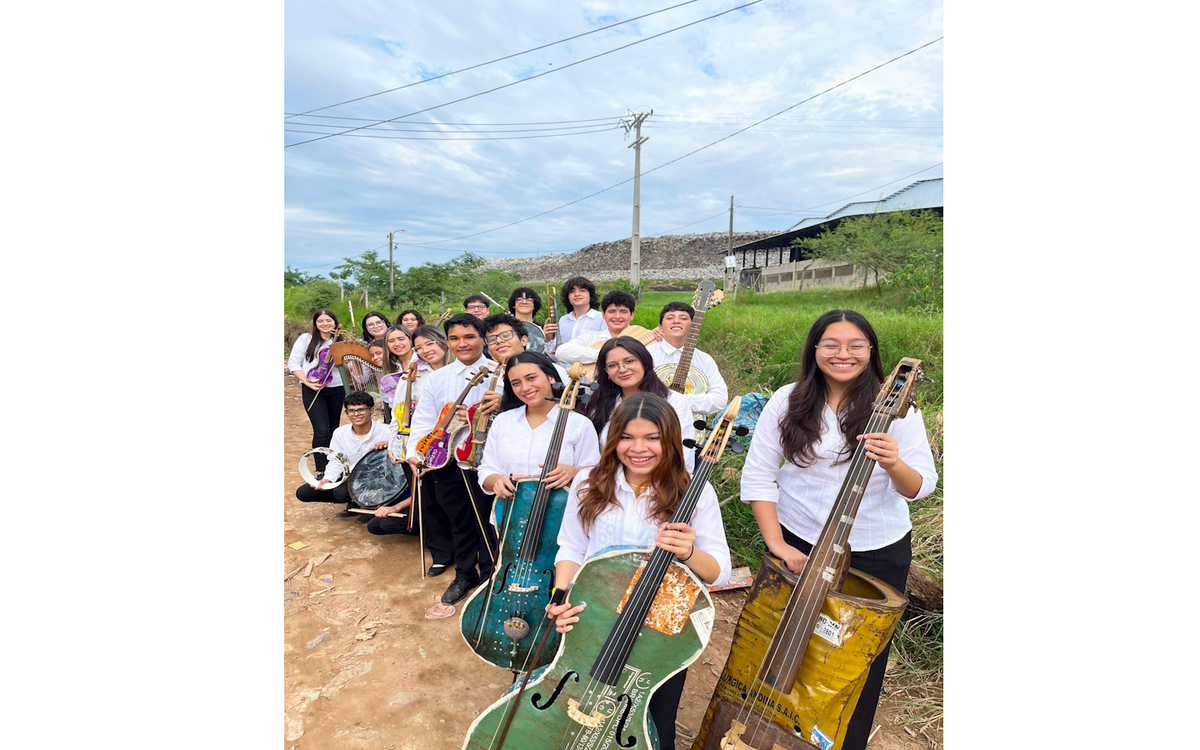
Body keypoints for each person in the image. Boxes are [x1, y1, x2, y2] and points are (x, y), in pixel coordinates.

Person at [739, 309, 938, 750]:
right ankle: (762, 732)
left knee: (853, 659)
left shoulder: (897, 410)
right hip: (798, 538)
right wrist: (776, 544)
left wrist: (893, 462)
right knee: (781, 640)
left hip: (876, 549)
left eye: (855, 346)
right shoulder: (788, 399)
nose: (842, 354)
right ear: (815, 350)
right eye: (831, 344)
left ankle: (839, 741)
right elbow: (757, 475)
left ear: (871, 352)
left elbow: (921, 486)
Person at [547, 393, 731, 749]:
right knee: (575, 702)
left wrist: (689, 552)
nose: (638, 448)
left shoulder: (694, 491)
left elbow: (719, 572)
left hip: (662, 623)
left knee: (651, 716)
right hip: (594, 608)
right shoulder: (588, 482)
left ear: (672, 441)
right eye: (627, 437)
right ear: (613, 439)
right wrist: (561, 595)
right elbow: (571, 546)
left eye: (652, 438)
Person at [406, 313, 501, 605]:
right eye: (455, 338)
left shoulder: (501, 373)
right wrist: (415, 452)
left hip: (486, 462)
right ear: (447, 342)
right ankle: (464, 573)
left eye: (470, 337)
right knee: (457, 519)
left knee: (488, 520)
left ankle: (489, 574)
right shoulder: (438, 377)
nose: (463, 344)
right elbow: (423, 419)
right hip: (445, 460)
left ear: (483, 338)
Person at [476, 351, 601, 503]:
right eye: (516, 383)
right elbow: (487, 469)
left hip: (562, 515)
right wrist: (497, 480)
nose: (525, 387)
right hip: (510, 516)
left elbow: (595, 474)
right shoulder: (503, 421)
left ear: (551, 377)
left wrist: (574, 472)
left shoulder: (579, 424)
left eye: (531, 378)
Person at [586, 337, 695, 472]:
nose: (622, 369)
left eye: (629, 361)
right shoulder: (599, 402)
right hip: (606, 482)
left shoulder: (675, 402)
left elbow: (683, 456)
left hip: (660, 483)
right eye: (613, 365)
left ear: (645, 362)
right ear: (606, 371)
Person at [295, 390, 392, 518]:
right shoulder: (340, 433)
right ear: (347, 413)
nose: (356, 414)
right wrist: (327, 479)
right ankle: (355, 502)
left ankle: (373, 504)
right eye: (351, 411)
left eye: (361, 410)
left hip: (379, 480)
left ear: (371, 410)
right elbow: (336, 461)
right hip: (352, 478)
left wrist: (390, 445)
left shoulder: (387, 432)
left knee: (341, 492)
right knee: (304, 493)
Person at [287, 308, 346, 476]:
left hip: (337, 388)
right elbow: (293, 364)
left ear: (335, 322)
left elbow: (348, 368)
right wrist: (306, 382)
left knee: (334, 429)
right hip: (312, 388)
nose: (325, 324)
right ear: (315, 323)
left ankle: (334, 468)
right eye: (320, 321)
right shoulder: (306, 339)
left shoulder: (341, 342)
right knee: (321, 429)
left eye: (329, 320)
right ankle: (321, 469)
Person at [648, 301, 729, 419]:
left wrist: (683, 401)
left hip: (692, 430)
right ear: (660, 327)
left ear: (693, 326)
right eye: (670, 317)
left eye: (683, 318)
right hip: (652, 424)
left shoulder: (705, 360)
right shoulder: (646, 355)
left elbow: (720, 399)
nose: (676, 321)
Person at [555, 290, 651, 367]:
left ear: (632, 315)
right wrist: (605, 355)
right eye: (612, 311)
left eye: (623, 312)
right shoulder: (592, 338)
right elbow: (560, 352)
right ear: (603, 314)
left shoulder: (648, 336)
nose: (617, 316)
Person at [554, 276, 605, 348]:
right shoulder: (563, 321)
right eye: (572, 291)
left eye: (582, 290)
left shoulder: (602, 319)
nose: (577, 294)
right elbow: (555, 354)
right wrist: (548, 339)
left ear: (590, 295)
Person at [507, 286, 546, 354]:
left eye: (529, 299)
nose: (524, 302)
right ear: (513, 304)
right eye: (519, 299)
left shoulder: (544, 329)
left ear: (534, 305)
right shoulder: (505, 327)